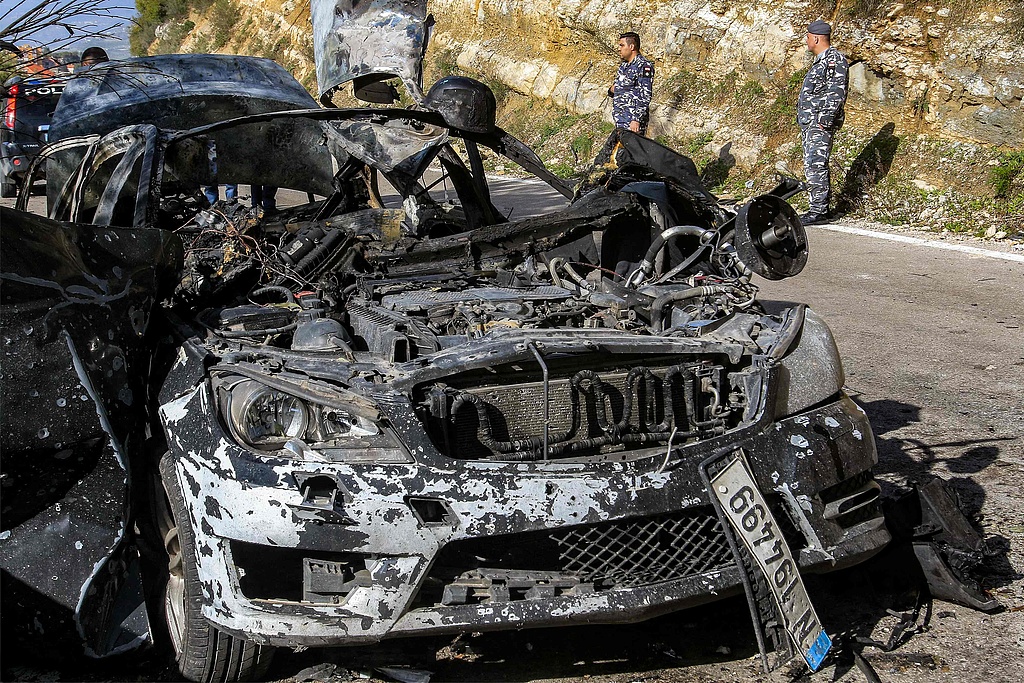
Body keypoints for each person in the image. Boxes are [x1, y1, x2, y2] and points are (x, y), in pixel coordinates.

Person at [796, 20, 849, 225]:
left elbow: (836, 93)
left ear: (816, 38)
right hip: (811, 122)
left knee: (816, 164)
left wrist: (824, 121)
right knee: (812, 164)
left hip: (819, 123)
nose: (807, 41)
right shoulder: (822, 61)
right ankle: (817, 207)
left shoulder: (834, 60)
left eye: (808, 37)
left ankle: (819, 211)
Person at [608, 31, 654, 135]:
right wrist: (611, 90)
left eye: (622, 45)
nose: (619, 48)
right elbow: (617, 87)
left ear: (631, 46)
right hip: (620, 120)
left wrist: (636, 119)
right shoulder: (624, 66)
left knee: (631, 150)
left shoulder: (644, 66)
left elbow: (645, 95)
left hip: (632, 123)